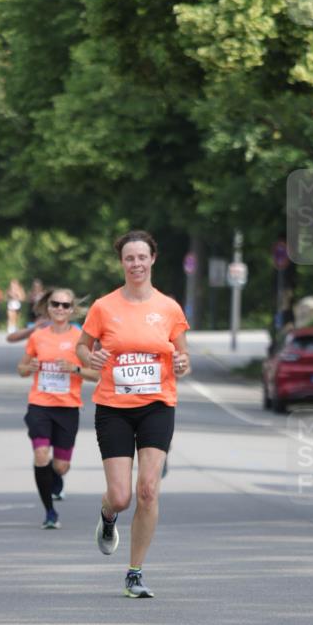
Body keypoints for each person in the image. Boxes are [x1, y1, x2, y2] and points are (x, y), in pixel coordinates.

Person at [76, 230, 191, 598]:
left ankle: (134, 573)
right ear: (122, 262)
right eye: (129, 258)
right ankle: (108, 517)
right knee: (122, 495)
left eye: (142, 257)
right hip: (113, 407)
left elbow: (182, 357)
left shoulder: (169, 308)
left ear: (153, 259)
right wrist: (88, 357)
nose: (136, 264)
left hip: (158, 404)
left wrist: (184, 362)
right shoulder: (104, 306)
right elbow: (82, 347)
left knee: (147, 491)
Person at [17, 287, 98, 529]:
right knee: (41, 455)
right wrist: (29, 367)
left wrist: (74, 369)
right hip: (39, 404)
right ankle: (49, 511)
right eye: (55, 304)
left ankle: (55, 477)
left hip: (68, 407)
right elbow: (21, 369)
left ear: (72, 309)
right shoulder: (38, 337)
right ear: (48, 307)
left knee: (61, 466)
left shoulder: (80, 338)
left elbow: (96, 374)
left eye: (65, 305)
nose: (59, 309)